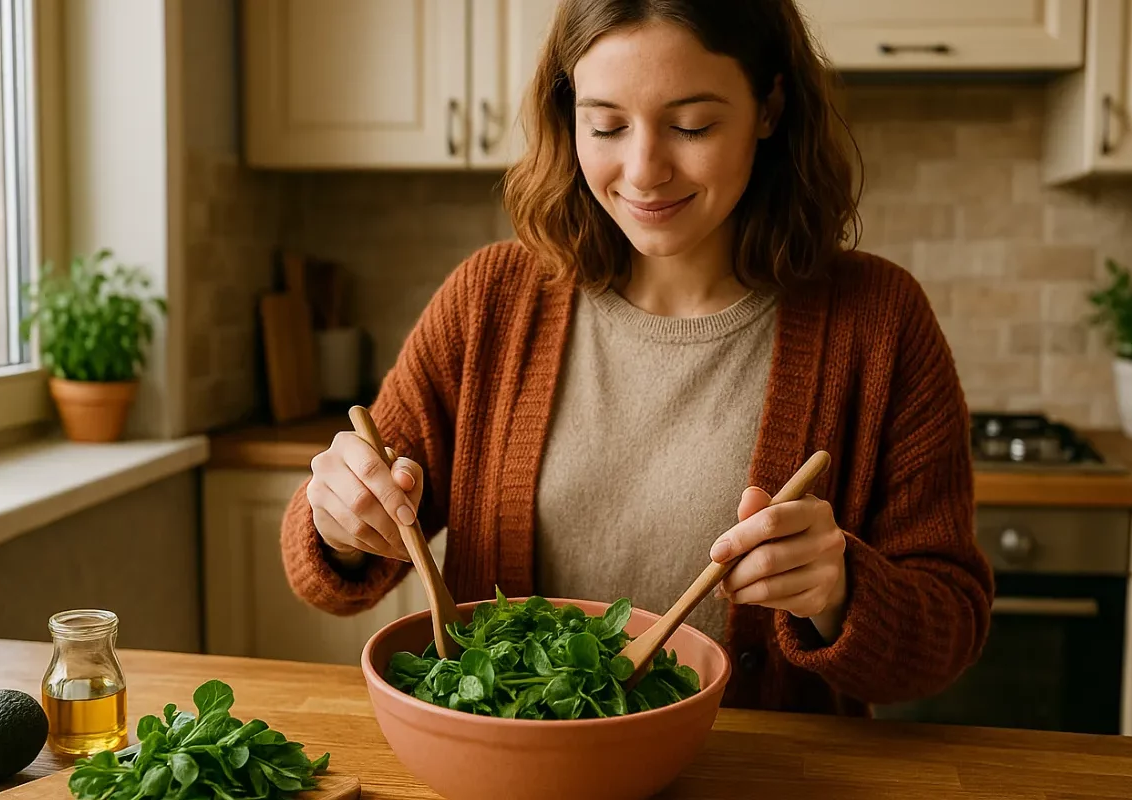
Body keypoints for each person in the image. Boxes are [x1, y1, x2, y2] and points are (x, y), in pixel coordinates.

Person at [280, 0, 993, 717]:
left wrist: (841, 591)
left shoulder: (877, 319)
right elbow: (333, 560)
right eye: (606, 125)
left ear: (770, 107)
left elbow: (950, 627)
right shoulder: (490, 301)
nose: (644, 170)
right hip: (514, 778)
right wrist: (339, 523)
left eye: (693, 125)